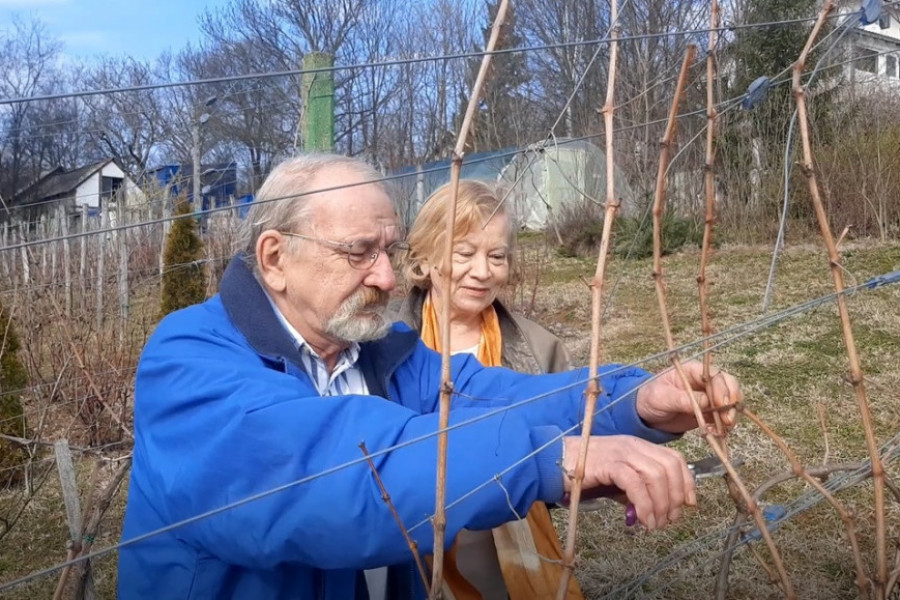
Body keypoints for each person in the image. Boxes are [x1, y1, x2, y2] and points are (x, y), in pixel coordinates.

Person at [118, 153, 740, 600]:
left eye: (388, 251)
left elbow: (496, 396)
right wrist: (557, 459)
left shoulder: (374, 352)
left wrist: (636, 403)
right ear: (277, 259)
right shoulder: (189, 360)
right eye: (361, 252)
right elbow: (336, 475)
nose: (388, 278)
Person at [395, 179, 579, 599]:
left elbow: (573, 459)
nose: (482, 271)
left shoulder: (539, 349)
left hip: (511, 561)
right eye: (464, 254)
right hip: (407, 556)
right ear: (423, 258)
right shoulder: (383, 349)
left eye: (496, 256)